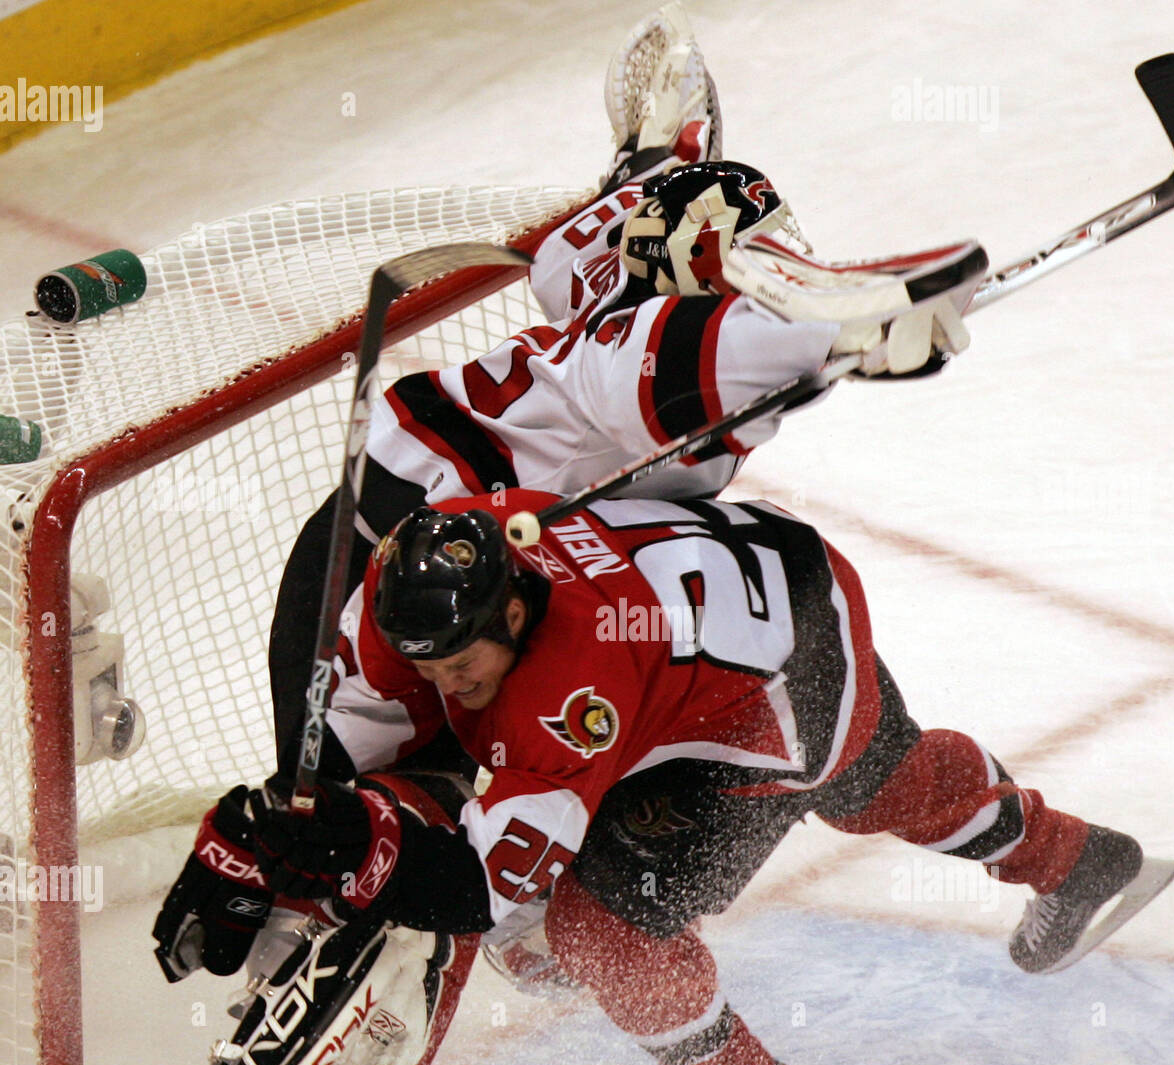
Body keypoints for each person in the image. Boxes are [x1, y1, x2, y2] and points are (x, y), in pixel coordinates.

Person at [155, 489, 1174, 1065]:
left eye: (464, 667)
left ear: (514, 615)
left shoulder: (568, 693)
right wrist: (301, 823)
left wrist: (352, 851)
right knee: (885, 776)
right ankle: (1079, 857)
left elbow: (468, 889)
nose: (448, 687)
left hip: (771, 700)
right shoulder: (451, 564)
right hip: (780, 588)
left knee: (592, 923)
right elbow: (384, 744)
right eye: (431, 667)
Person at [269, 0, 979, 785]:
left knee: (422, 811)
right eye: (749, 270)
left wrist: (660, 155)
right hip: (392, 567)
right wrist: (853, 331)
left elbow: (631, 202)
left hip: (461, 559)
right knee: (339, 812)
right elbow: (707, 352)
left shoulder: (609, 257)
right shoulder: (633, 356)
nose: (755, 292)